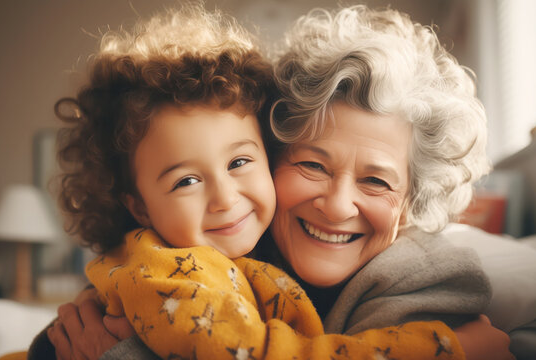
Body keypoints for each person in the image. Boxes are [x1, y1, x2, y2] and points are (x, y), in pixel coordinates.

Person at [29, 4, 511, 360]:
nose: (338, 205)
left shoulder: (431, 282)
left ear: (411, 202)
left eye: (377, 182)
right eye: (314, 166)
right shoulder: (199, 254)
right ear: (277, 156)